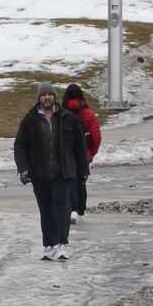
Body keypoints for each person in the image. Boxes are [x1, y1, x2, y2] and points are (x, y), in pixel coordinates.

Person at [13, 82, 88, 261]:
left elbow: (80, 147)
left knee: (61, 206)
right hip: (40, 174)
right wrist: (23, 169)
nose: (47, 97)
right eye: (43, 95)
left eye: (50, 94)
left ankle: (62, 243)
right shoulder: (30, 119)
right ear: (39, 98)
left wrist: (83, 170)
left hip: (64, 173)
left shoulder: (68, 118)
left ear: (55, 97)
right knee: (46, 209)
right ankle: (49, 245)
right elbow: (20, 145)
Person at [62, 84, 101, 222]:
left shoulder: (62, 113)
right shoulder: (88, 114)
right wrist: (90, 153)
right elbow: (96, 137)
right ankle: (81, 210)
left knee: (69, 182)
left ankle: (72, 209)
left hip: (66, 155)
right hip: (83, 154)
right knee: (81, 182)